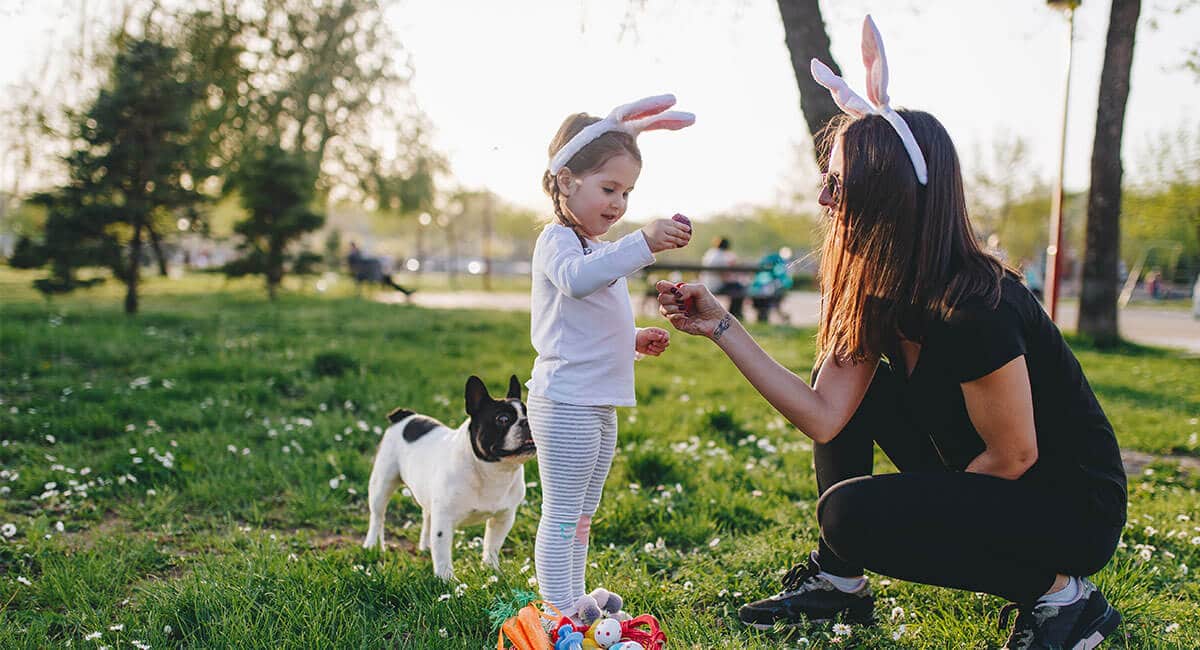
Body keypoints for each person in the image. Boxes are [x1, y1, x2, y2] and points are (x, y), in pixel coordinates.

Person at [656, 17, 1124, 650]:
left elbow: (1015, 456)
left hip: (1067, 505)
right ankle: (839, 584)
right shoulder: (879, 293)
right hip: (995, 474)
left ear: (885, 199)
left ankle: (1061, 595)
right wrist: (720, 326)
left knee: (853, 515)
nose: (824, 200)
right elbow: (825, 416)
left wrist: (916, 513)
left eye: (836, 183)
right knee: (853, 488)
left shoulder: (973, 305)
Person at [528, 95, 695, 614]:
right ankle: (557, 610)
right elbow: (577, 286)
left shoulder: (596, 250)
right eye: (609, 188)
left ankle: (572, 596)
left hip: (597, 402)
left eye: (626, 192)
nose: (619, 203)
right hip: (565, 402)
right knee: (561, 512)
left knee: (583, 511)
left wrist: (633, 339)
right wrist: (641, 243)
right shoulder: (558, 242)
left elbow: (589, 323)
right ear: (565, 180)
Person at [700, 237, 746, 319]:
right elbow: (725, 276)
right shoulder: (721, 256)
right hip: (716, 285)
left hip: (706, 283)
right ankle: (735, 314)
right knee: (739, 288)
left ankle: (734, 314)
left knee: (736, 287)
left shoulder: (710, 253)